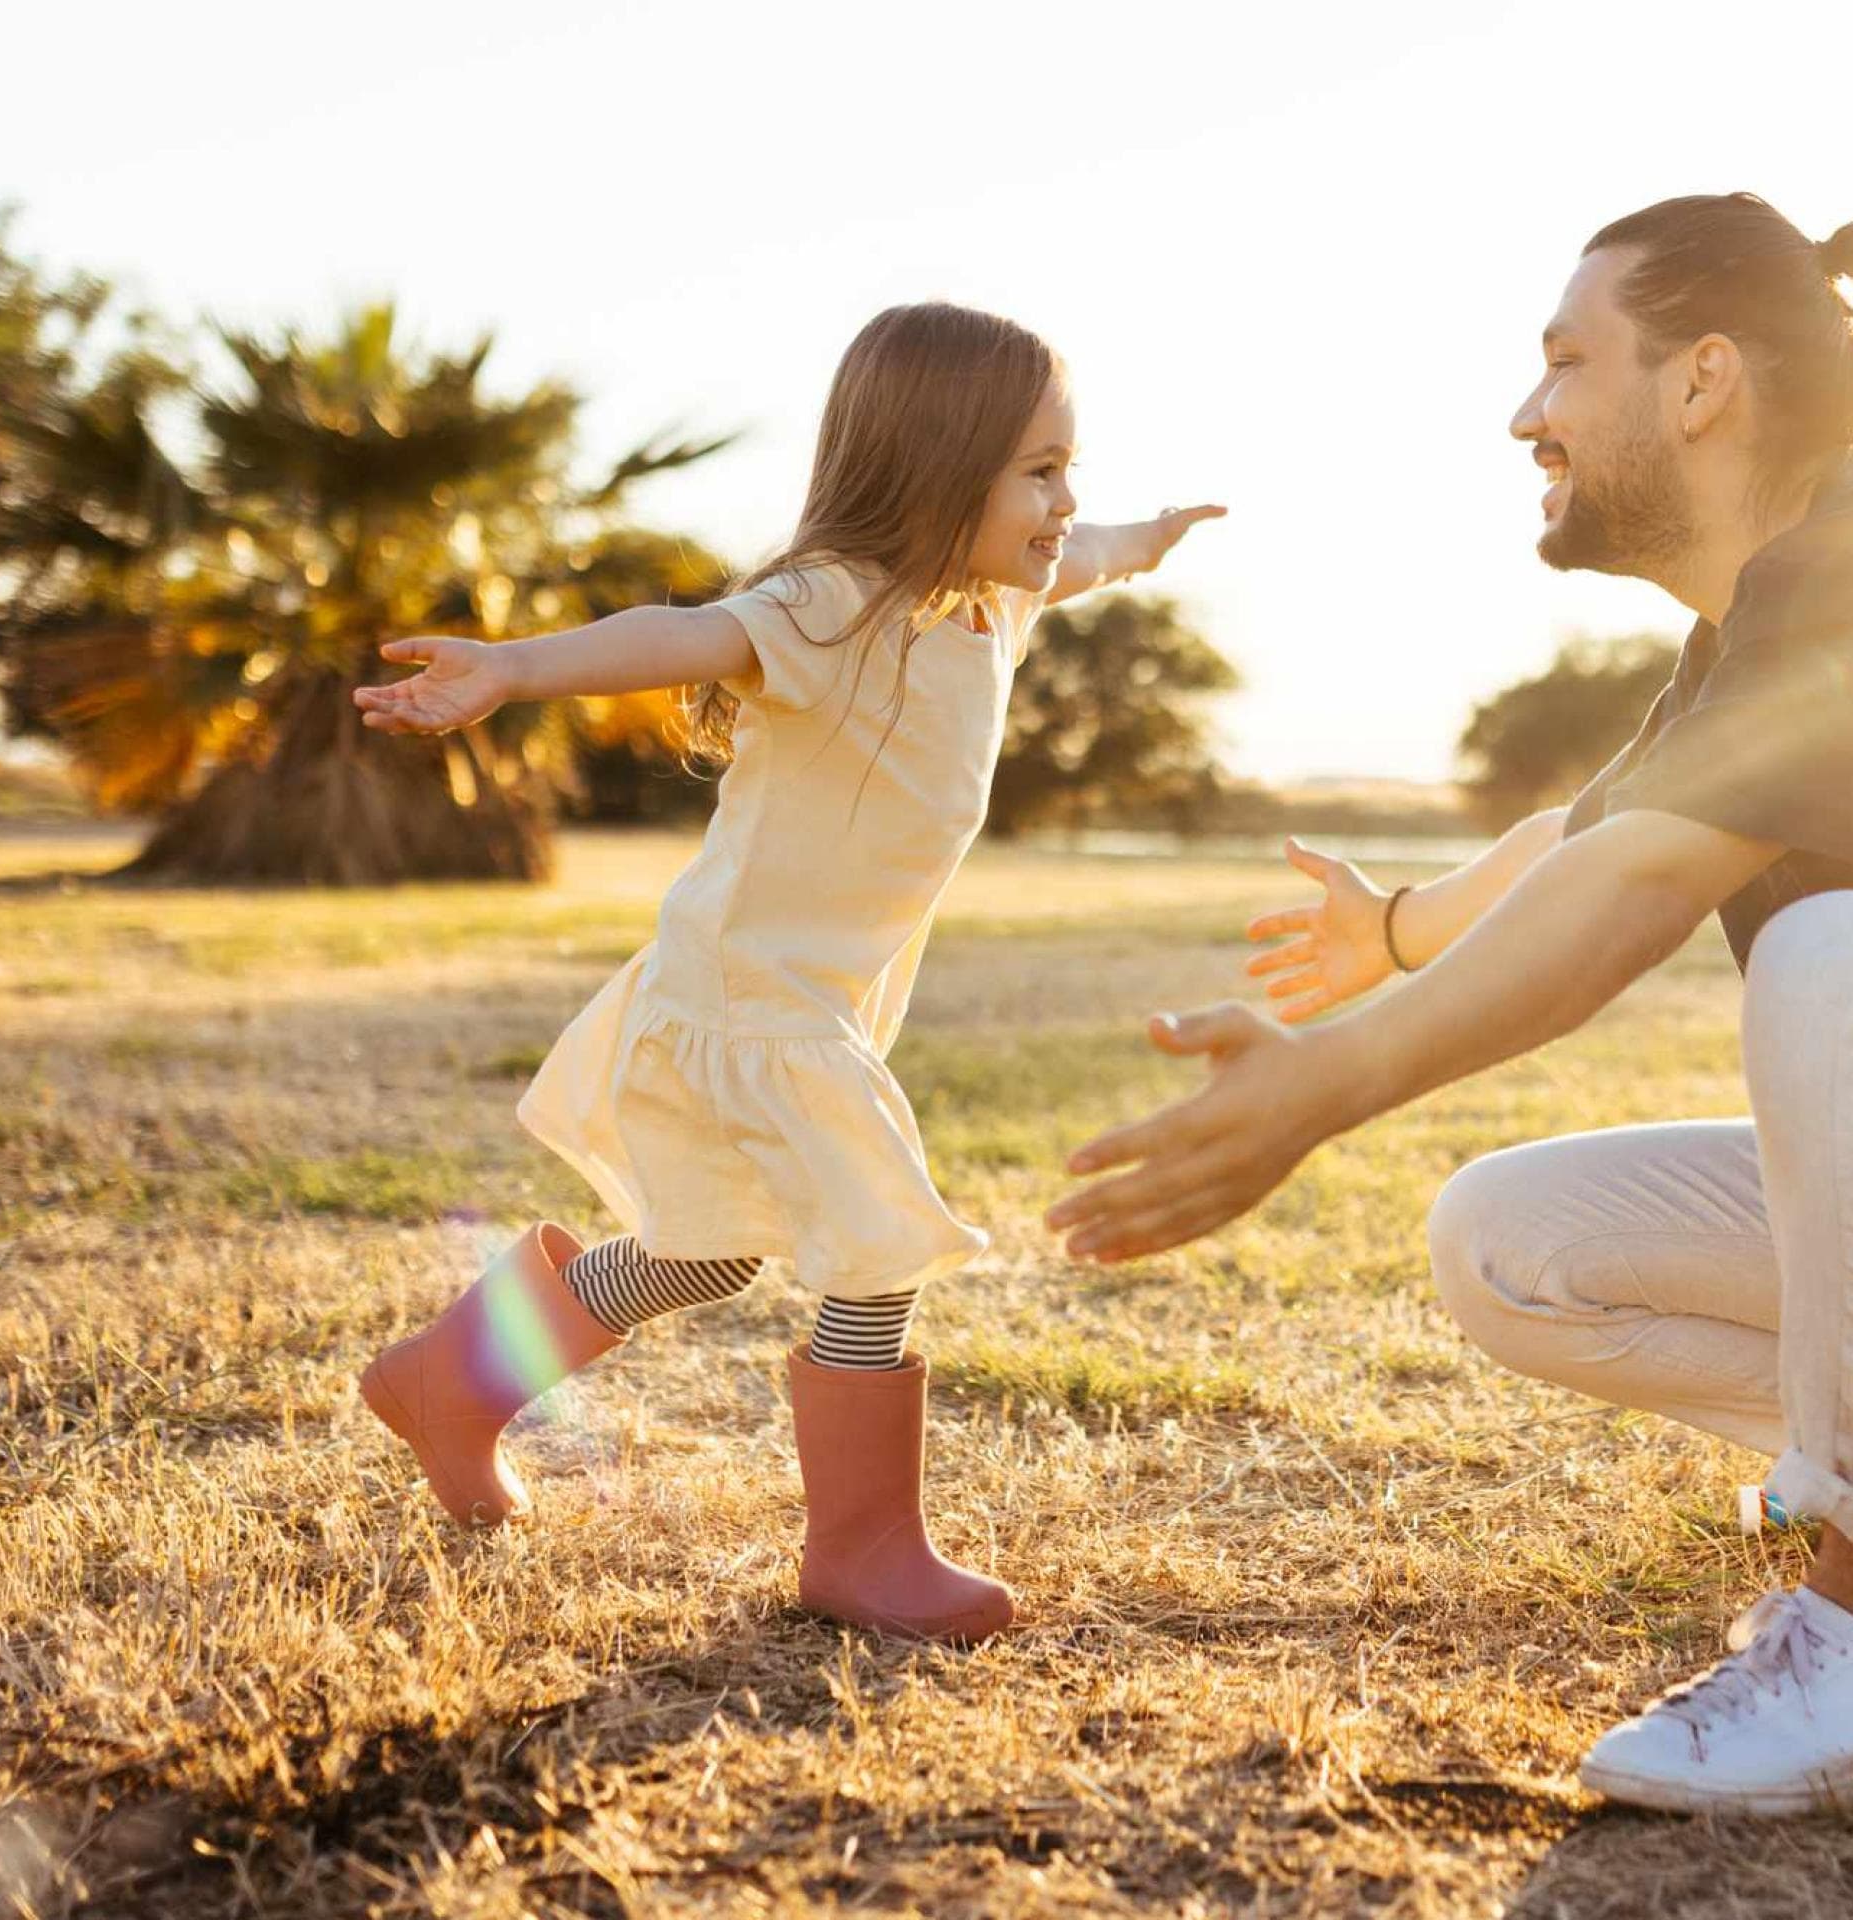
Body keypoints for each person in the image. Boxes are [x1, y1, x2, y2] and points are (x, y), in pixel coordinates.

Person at [1047, 194, 1853, 1812]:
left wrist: (1321, 1083)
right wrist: (1395, 931)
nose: (1525, 413)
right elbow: (1584, 834)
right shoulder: (1755, 624)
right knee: (1509, 1242)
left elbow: (1630, 892)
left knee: (1829, 957)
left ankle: (1844, 1621)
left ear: (1703, 382)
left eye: (1565, 361)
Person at [352, 300, 1223, 1641]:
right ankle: (862, 1548)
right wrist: (515, 669)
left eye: (1070, 466)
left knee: (709, 1254)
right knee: (876, 1230)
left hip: (808, 999)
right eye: (1038, 471)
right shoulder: (832, 605)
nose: (1066, 501)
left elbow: (1088, 554)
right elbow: (684, 635)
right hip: (749, 995)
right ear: (937, 467)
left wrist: (1149, 542)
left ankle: (455, 1379)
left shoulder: (998, 598)